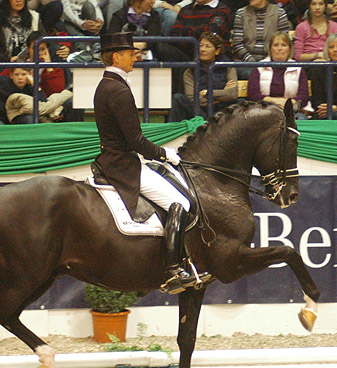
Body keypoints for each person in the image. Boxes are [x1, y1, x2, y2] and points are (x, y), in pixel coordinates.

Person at [93, 32, 211, 294]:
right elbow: (135, 140)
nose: (136, 56)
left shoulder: (107, 84)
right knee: (180, 203)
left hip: (114, 158)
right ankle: (172, 270)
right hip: (123, 164)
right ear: (116, 56)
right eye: (130, 53)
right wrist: (163, 154)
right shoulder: (118, 89)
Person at [168, 31, 237, 121]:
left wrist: (206, 93)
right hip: (199, 113)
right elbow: (192, 99)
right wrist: (221, 94)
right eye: (200, 46)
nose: (202, 49)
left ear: (217, 51)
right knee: (178, 98)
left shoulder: (228, 67)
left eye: (207, 46)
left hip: (222, 112)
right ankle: (173, 133)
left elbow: (232, 94)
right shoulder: (190, 71)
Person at [247, 31, 309, 111]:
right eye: (276, 45)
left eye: (284, 45)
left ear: (289, 49)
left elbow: (304, 96)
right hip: (264, 110)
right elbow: (253, 94)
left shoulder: (298, 68)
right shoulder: (259, 67)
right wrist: (276, 101)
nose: (279, 48)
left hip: (291, 110)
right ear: (270, 48)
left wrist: (287, 103)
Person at [232, 0, 291, 80]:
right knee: (255, 75)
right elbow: (238, 44)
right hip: (246, 62)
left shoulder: (279, 13)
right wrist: (254, 62)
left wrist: (267, 61)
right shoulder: (241, 14)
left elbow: (283, 42)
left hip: (272, 61)